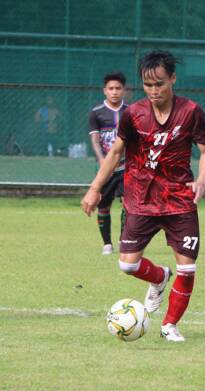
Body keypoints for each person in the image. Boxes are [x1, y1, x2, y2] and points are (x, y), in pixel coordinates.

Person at [81, 50, 205, 342]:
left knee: (188, 267)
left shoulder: (191, 112)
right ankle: (159, 278)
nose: (154, 91)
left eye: (160, 84)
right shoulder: (133, 114)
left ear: (173, 79)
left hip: (179, 199)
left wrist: (202, 180)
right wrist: (94, 189)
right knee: (127, 264)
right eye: (148, 85)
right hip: (140, 198)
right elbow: (115, 152)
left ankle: (169, 325)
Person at [88, 71, 128, 255]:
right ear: (105, 91)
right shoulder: (96, 113)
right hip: (107, 169)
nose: (114, 92)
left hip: (127, 167)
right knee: (103, 205)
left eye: (118, 88)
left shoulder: (131, 111)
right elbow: (96, 141)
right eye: (111, 88)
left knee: (128, 203)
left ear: (124, 90)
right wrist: (103, 162)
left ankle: (124, 240)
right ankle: (107, 243)